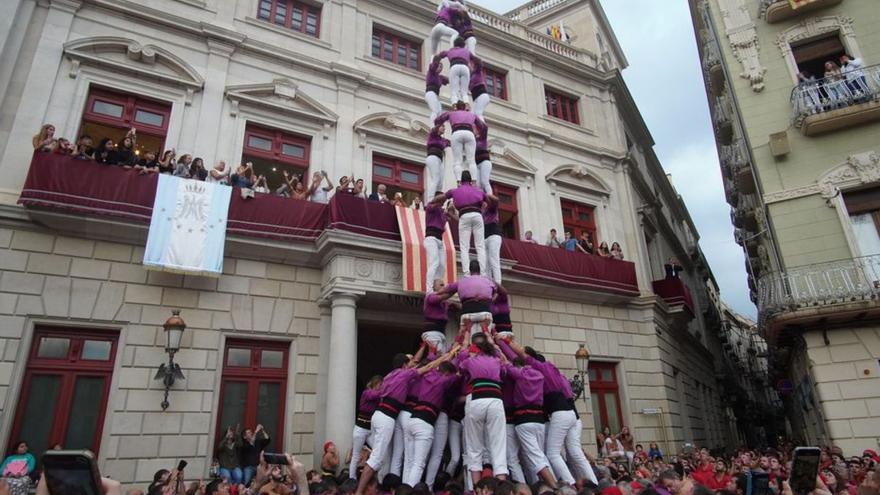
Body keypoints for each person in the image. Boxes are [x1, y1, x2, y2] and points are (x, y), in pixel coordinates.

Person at [353, 350, 453, 495]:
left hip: (379, 415)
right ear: (405, 365)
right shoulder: (405, 374)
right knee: (377, 459)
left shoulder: (389, 375)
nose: (413, 365)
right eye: (410, 363)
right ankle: (359, 492)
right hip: (387, 417)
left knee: (384, 457)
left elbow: (418, 364)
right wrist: (446, 357)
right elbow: (427, 367)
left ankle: (385, 488)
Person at [501, 338, 597, 485]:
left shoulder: (538, 369)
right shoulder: (554, 372)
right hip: (573, 416)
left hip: (559, 413)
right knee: (575, 454)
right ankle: (594, 484)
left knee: (552, 454)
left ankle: (569, 485)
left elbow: (517, 355)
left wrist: (501, 340)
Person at [496, 337, 557, 489]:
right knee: (538, 455)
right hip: (539, 420)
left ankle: (552, 487)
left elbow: (504, 361)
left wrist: (496, 344)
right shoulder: (539, 375)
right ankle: (539, 486)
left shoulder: (519, 374)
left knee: (531, 457)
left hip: (523, 419)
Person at [455, 326, 508, 485]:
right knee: (498, 445)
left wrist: (465, 345)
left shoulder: (470, 360)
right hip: (495, 400)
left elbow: (460, 364)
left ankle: (477, 488)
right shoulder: (497, 360)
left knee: (474, 447)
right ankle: (501, 486)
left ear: (475, 346)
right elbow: (504, 371)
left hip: (476, 400)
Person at [402, 358, 460, 486]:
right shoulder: (443, 380)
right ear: (446, 374)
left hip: (411, 420)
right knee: (419, 464)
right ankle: (417, 490)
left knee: (409, 461)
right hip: (425, 423)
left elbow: (431, 366)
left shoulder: (427, 376)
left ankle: (403, 490)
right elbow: (456, 377)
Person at [431, 171, 486, 276]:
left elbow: (441, 197)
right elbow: (486, 203)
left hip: (464, 215)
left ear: (461, 181)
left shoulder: (455, 191)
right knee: (480, 246)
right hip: (477, 215)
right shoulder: (478, 191)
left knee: (464, 247)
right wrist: (482, 212)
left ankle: (466, 272)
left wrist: (431, 201)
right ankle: (483, 273)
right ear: (470, 181)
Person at [435, 101, 486, 183]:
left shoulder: (451, 113)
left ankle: (458, 180)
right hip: (469, 133)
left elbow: (438, 120)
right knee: (471, 160)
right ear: (464, 107)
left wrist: (438, 127)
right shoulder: (472, 115)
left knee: (457, 161)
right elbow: (482, 125)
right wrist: (478, 134)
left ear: (457, 107)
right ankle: (474, 180)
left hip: (456, 133)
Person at [440, 260, 496, 334]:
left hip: (467, 313)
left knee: (466, 338)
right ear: (480, 270)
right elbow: (496, 291)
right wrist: (491, 301)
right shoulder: (488, 281)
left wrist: (436, 293)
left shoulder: (461, 281)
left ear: (470, 270)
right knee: (486, 338)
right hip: (484, 313)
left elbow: (446, 289)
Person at [350, 375, 383, 480]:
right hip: (360, 428)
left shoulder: (377, 397)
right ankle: (352, 478)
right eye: (380, 384)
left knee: (378, 452)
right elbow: (373, 396)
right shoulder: (367, 392)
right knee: (356, 455)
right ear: (375, 383)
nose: (381, 386)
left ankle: (373, 476)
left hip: (370, 429)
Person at [424, 194, 454, 292]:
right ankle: (429, 288)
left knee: (441, 265)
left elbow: (454, 218)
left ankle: (437, 287)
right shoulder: (430, 206)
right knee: (434, 262)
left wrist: (451, 209)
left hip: (440, 240)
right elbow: (435, 204)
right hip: (431, 238)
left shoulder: (442, 212)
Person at [438, 37, 473, 104]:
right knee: (464, 91)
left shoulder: (450, 51)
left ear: (454, 44)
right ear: (463, 45)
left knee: (454, 90)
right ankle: (466, 104)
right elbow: (474, 59)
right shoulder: (467, 51)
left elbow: (441, 54)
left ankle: (454, 104)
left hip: (454, 67)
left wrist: (436, 59)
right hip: (465, 68)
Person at [425, 124, 451, 201]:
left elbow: (451, 143)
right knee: (435, 178)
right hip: (433, 157)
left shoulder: (443, 140)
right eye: (442, 126)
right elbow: (434, 130)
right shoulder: (433, 135)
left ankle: (437, 199)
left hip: (439, 160)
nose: (444, 128)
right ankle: (430, 199)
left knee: (440, 182)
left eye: (445, 127)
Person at [483, 193, 503, 282]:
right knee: (485, 262)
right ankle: (488, 282)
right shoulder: (481, 214)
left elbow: (496, 200)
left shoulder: (491, 209)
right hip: (485, 237)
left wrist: (484, 194)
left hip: (494, 235)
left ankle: (498, 282)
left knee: (493, 259)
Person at [425, 56, 449, 123]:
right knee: (435, 111)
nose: (440, 68)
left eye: (441, 67)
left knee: (439, 113)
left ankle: (437, 126)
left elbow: (448, 80)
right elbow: (433, 66)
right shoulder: (431, 72)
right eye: (439, 66)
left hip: (436, 95)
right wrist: (437, 59)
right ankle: (433, 127)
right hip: (430, 93)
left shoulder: (440, 77)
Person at [475, 121, 492, 194]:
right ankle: (480, 200)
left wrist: (476, 118)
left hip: (484, 162)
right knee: (477, 185)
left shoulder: (482, 138)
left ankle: (490, 196)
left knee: (484, 181)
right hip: (476, 164)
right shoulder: (471, 141)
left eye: (474, 129)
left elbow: (485, 128)